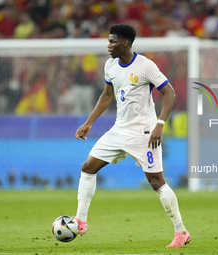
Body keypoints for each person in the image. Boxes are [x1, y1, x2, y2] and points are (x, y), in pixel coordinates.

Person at [74, 24, 190, 249]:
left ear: (125, 43)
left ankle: (181, 232)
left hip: (144, 133)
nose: (108, 46)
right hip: (119, 129)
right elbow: (107, 95)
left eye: (112, 41)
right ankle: (80, 220)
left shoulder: (145, 66)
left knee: (157, 182)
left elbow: (169, 93)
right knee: (88, 167)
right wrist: (89, 123)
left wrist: (160, 125)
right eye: (108, 41)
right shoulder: (110, 66)